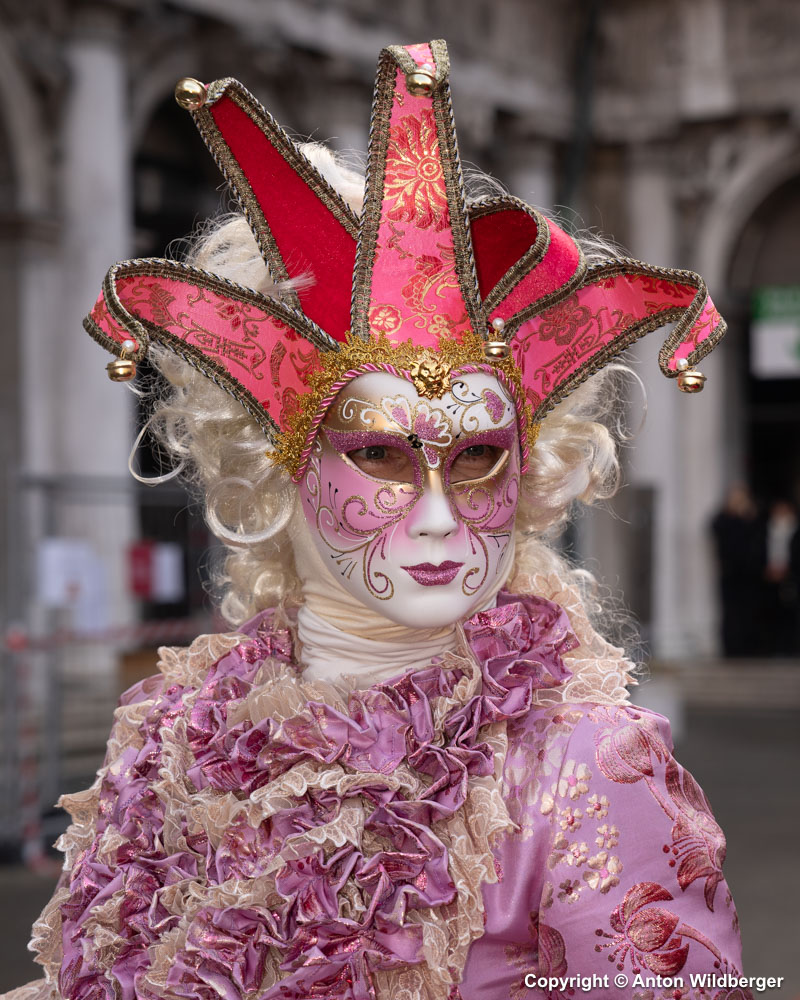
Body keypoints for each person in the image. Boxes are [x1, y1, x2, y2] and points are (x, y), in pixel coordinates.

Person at [8, 40, 749, 1000]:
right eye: (382, 456)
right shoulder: (169, 742)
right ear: (273, 465)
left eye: (478, 458)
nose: (439, 517)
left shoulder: (582, 769)